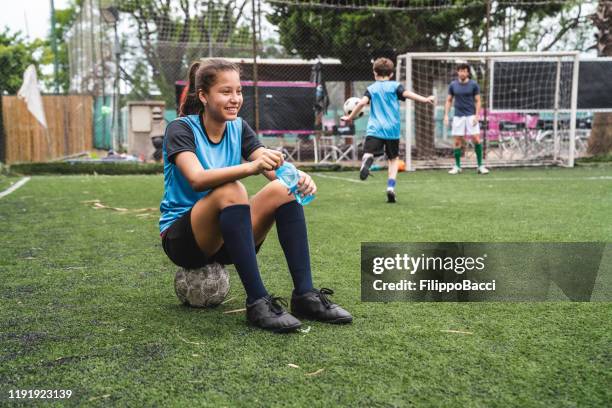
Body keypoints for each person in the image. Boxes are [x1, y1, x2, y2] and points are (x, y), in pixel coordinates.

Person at [160, 59, 352, 333]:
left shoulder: (238, 127)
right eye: (225, 92)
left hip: (228, 238)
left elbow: (271, 166)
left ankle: (305, 296)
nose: (235, 99)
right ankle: (258, 303)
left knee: (283, 190)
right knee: (232, 189)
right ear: (203, 95)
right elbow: (197, 179)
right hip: (184, 241)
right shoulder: (180, 129)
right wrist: (250, 167)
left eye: (238, 91)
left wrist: (297, 178)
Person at [341, 57, 434, 203]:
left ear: (374, 73)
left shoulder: (371, 89)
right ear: (391, 74)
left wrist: (350, 117)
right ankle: (390, 187)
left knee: (368, 152)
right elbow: (407, 94)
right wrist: (424, 99)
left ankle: (367, 160)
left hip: (375, 129)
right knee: (393, 159)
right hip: (392, 130)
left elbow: (361, 103)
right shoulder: (395, 86)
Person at [444, 63, 489, 175]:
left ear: (468, 72)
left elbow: (478, 100)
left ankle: (480, 166)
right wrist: (446, 114)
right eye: (460, 71)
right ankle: (457, 166)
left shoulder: (474, 85)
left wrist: (477, 115)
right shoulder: (453, 85)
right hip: (458, 116)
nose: (462, 73)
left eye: (464, 71)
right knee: (457, 141)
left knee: (476, 139)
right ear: (457, 72)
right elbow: (449, 100)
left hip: (471, 115)